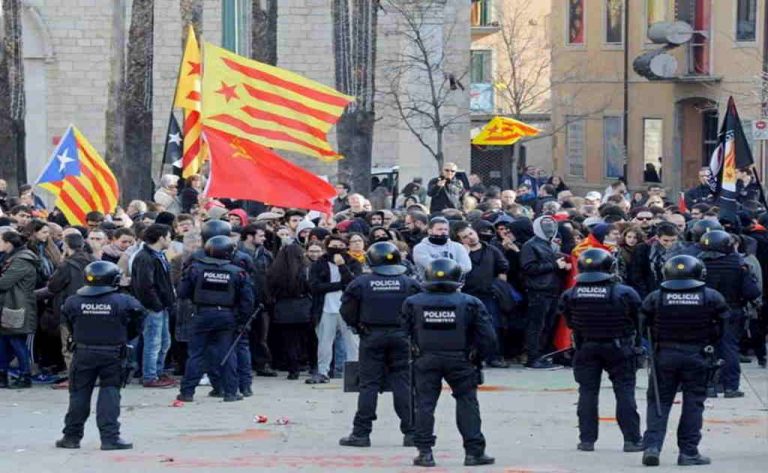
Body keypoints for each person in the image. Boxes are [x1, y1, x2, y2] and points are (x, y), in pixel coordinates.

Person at [401, 258, 497, 468]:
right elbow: (488, 336)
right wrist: (478, 357)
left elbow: (403, 331)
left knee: (424, 405)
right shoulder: (470, 302)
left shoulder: (413, 302)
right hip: (461, 359)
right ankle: (474, 452)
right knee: (467, 403)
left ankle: (424, 452)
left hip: (425, 358)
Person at [640, 255, 729, 467]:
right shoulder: (711, 296)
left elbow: (643, 326)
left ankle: (652, 446)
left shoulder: (656, 297)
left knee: (658, 402)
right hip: (697, 355)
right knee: (693, 403)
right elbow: (723, 326)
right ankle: (688, 452)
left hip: (664, 355)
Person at [559, 249, 644, 453]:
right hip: (619, 346)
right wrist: (637, 346)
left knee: (587, 393)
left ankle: (587, 440)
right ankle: (632, 440)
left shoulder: (571, 293)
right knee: (624, 392)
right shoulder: (624, 292)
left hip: (586, 346)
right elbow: (639, 321)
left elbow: (569, 320)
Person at [338, 242, 421, 447]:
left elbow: (347, 310)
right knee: (403, 383)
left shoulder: (361, 283)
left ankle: (361, 433)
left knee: (369, 384)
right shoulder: (409, 283)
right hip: (401, 337)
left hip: (371, 336)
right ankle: (411, 432)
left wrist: (358, 326)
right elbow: (418, 310)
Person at [55, 261, 145, 450]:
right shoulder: (125, 301)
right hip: (113, 353)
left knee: (79, 394)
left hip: (83, 352)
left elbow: (67, 323)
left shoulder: (73, 301)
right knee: (110, 393)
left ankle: (71, 437)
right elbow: (137, 325)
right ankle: (110, 438)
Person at [176, 236, 254, 402]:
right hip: (227, 316)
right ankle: (231, 392)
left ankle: (187, 392)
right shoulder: (238, 272)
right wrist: (242, 321)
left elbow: (182, 293)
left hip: (202, 314)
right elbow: (247, 301)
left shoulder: (195, 269)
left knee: (196, 354)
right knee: (228, 353)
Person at [697, 230, 760, 398]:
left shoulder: (698, 263)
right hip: (731, 310)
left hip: (704, 310)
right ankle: (730, 387)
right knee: (729, 348)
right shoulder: (739, 264)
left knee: (705, 347)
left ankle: (708, 385)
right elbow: (752, 292)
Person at [307, 235, 363, 384]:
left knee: (352, 343)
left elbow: (354, 284)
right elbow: (314, 286)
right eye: (333, 245)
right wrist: (339, 285)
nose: (337, 249)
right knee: (324, 343)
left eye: (340, 245)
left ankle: (355, 374)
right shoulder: (319, 264)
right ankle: (323, 372)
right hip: (325, 308)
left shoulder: (353, 263)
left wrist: (342, 266)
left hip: (348, 309)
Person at [454, 222, 509, 367]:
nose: (470, 238)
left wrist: (499, 288)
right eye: (465, 237)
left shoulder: (491, 250)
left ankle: (494, 357)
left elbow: (503, 267)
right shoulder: (460, 254)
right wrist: (464, 254)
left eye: (471, 234)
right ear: (460, 240)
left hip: (488, 296)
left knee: (493, 327)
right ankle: (472, 357)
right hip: (467, 296)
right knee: (468, 328)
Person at [46, 233, 96, 390]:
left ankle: (74, 378)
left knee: (69, 346)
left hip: (69, 309)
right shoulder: (93, 261)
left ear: (66, 246)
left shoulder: (66, 265)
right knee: (88, 344)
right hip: (92, 308)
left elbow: (53, 286)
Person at [521, 215, 570, 369]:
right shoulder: (530, 245)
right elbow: (528, 268)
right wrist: (555, 265)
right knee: (536, 325)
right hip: (538, 290)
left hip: (552, 289)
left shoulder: (551, 245)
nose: (549, 230)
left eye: (552, 226)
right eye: (546, 227)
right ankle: (533, 357)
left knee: (547, 324)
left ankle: (541, 355)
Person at [130, 224, 177, 388]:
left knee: (164, 342)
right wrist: (156, 305)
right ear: (161, 237)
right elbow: (145, 286)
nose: (171, 239)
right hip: (152, 308)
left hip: (160, 306)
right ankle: (150, 376)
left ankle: (158, 371)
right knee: (153, 342)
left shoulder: (158, 255)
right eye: (169, 236)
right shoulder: (145, 257)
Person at [266, 244, 313, 380]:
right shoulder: (305, 270)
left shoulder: (275, 271)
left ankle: (293, 369)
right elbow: (310, 288)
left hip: (283, 308)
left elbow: (270, 291)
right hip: (303, 307)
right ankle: (310, 365)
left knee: (289, 341)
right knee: (306, 340)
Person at [0, 230, 39, 389]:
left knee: (16, 341)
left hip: (16, 307)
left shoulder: (21, 260)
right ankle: (2, 374)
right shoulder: (12, 258)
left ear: (8, 242)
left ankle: (25, 375)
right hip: (9, 306)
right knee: (3, 341)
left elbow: (3, 283)